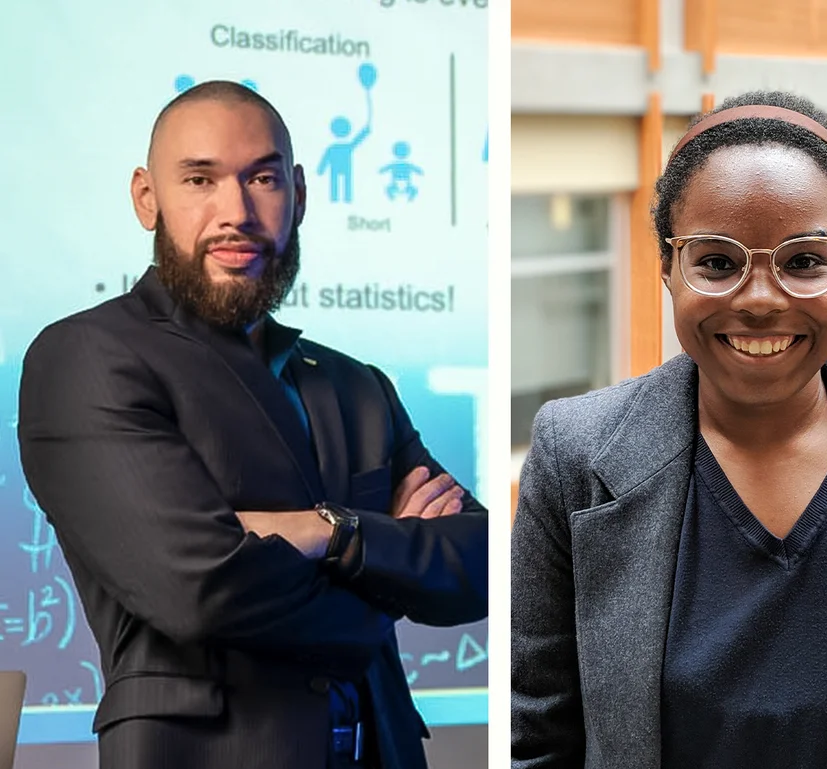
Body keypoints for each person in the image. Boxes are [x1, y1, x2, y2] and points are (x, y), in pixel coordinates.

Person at [510, 91, 827, 768]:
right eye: (716, 261)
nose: (762, 298)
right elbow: (539, 736)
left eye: (804, 260)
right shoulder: (575, 453)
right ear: (667, 267)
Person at [17, 81, 487, 769]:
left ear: (298, 190)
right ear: (146, 197)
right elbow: (200, 589)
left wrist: (326, 530)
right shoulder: (87, 357)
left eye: (262, 178)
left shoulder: (357, 384)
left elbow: (472, 564)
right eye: (200, 179)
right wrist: (387, 584)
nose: (235, 211)